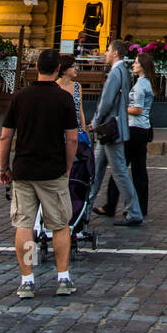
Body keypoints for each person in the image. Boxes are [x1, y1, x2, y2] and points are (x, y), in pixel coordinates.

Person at [0, 47, 78, 299]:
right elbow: (72, 139)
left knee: (24, 225)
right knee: (59, 226)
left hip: (23, 170)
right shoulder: (63, 98)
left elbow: (5, 136)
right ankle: (63, 278)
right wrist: (67, 167)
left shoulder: (20, 96)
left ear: (37, 68)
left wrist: (4, 167)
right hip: (53, 170)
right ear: (58, 69)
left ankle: (27, 280)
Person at [88, 40, 143, 226]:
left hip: (110, 130)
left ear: (116, 54)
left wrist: (95, 121)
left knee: (119, 172)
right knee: (94, 170)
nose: (106, 53)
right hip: (112, 129)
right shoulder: (124, 72)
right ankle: (84, 209)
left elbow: (106, 102)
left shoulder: (115, 73)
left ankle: (134, 211)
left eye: (108, 50)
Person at [99, 52, 155, 218]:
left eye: (136, 63)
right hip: (143, 129)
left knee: (119, 168)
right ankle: (141, 206)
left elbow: (137, 109)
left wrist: (121, 108)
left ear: (142, 66)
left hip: (134, 128)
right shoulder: (146, 83)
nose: (133, 65)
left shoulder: (140, 86)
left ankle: (111, 204)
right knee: (139, 171)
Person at [56, 55, 88, 139]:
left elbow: (80, 110)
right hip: (58, 132)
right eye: (73, 66)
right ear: (64, 70)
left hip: (77, 131)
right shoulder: (54, 87)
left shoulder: (77, 86)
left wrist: (84, 129)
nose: (76, 68)